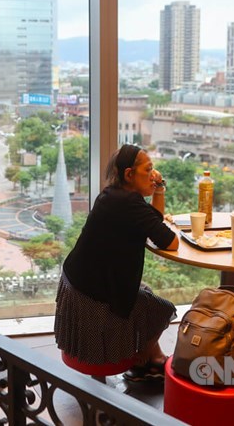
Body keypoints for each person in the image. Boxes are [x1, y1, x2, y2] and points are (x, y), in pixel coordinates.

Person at [55, 144, 179, 382]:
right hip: (93, 296)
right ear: (129, 174)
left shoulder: (113, 195)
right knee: (162, 308)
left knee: (145, 293)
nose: (153, 175)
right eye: (149, 169)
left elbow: (155, 220)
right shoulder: (129, 203)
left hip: (78, 282)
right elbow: (168, 240)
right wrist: (159, 192)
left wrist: (158, 189)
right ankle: (143, 359)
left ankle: (154, 359)